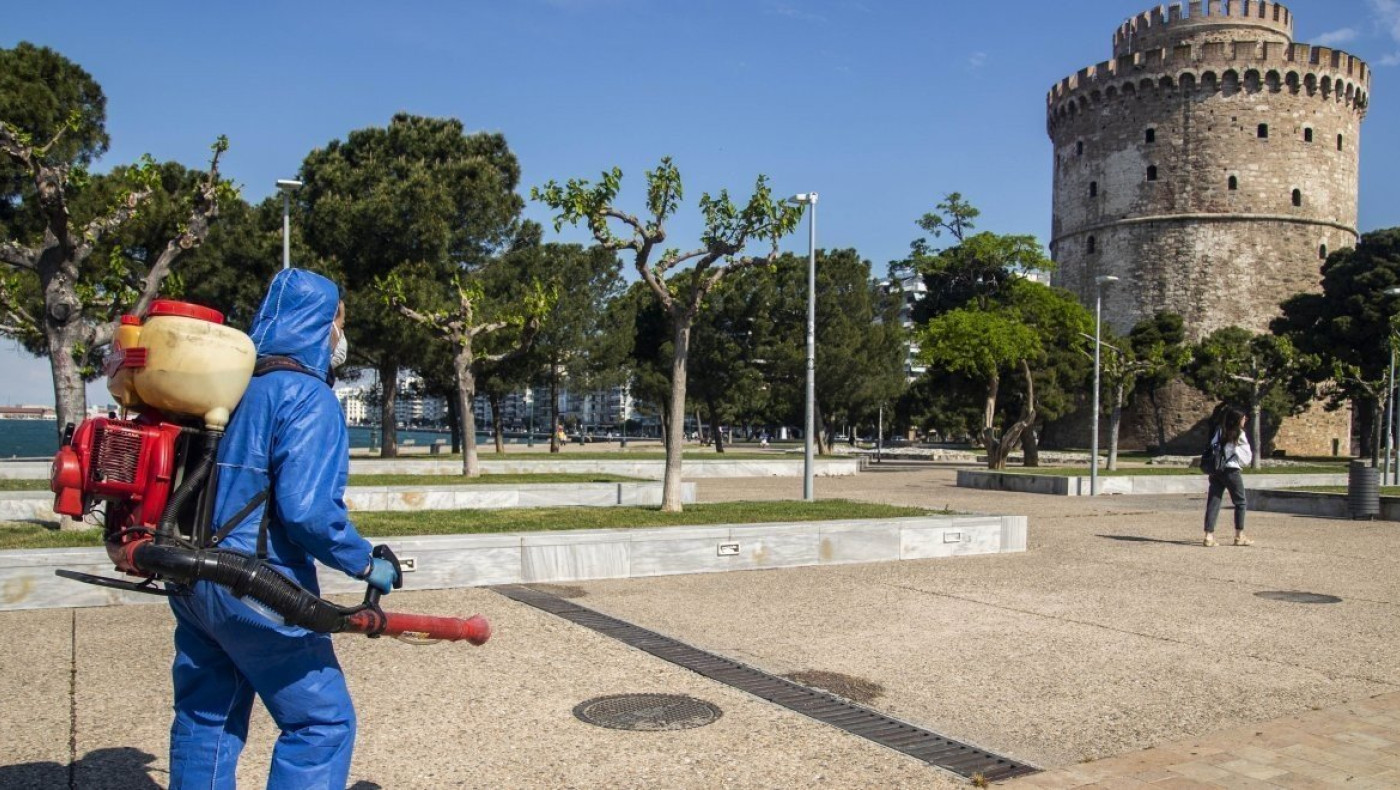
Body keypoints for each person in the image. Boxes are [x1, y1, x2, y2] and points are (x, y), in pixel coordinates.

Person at [166, 269, 398, 789]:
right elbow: (308, 512)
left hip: (190, 578)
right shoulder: (307, 398)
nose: (341, 336)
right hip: (258, 591)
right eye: (340, 322)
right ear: (321, 325)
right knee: (320, 724)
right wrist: (367, 563)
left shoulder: (228, 390)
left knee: (208, 717)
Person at [1202, 405, 1253, 547]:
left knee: (1214, 501)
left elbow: (1213, 446)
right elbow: (1246, 456)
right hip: (1231, 470)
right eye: (1243, 417)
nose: (1245, 419)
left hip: (1216, 469)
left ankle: (1209, 535)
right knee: (1240, 502)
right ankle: (1239, 535)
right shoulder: (1239, 434)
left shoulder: (1219, 431)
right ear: (1238, 419)